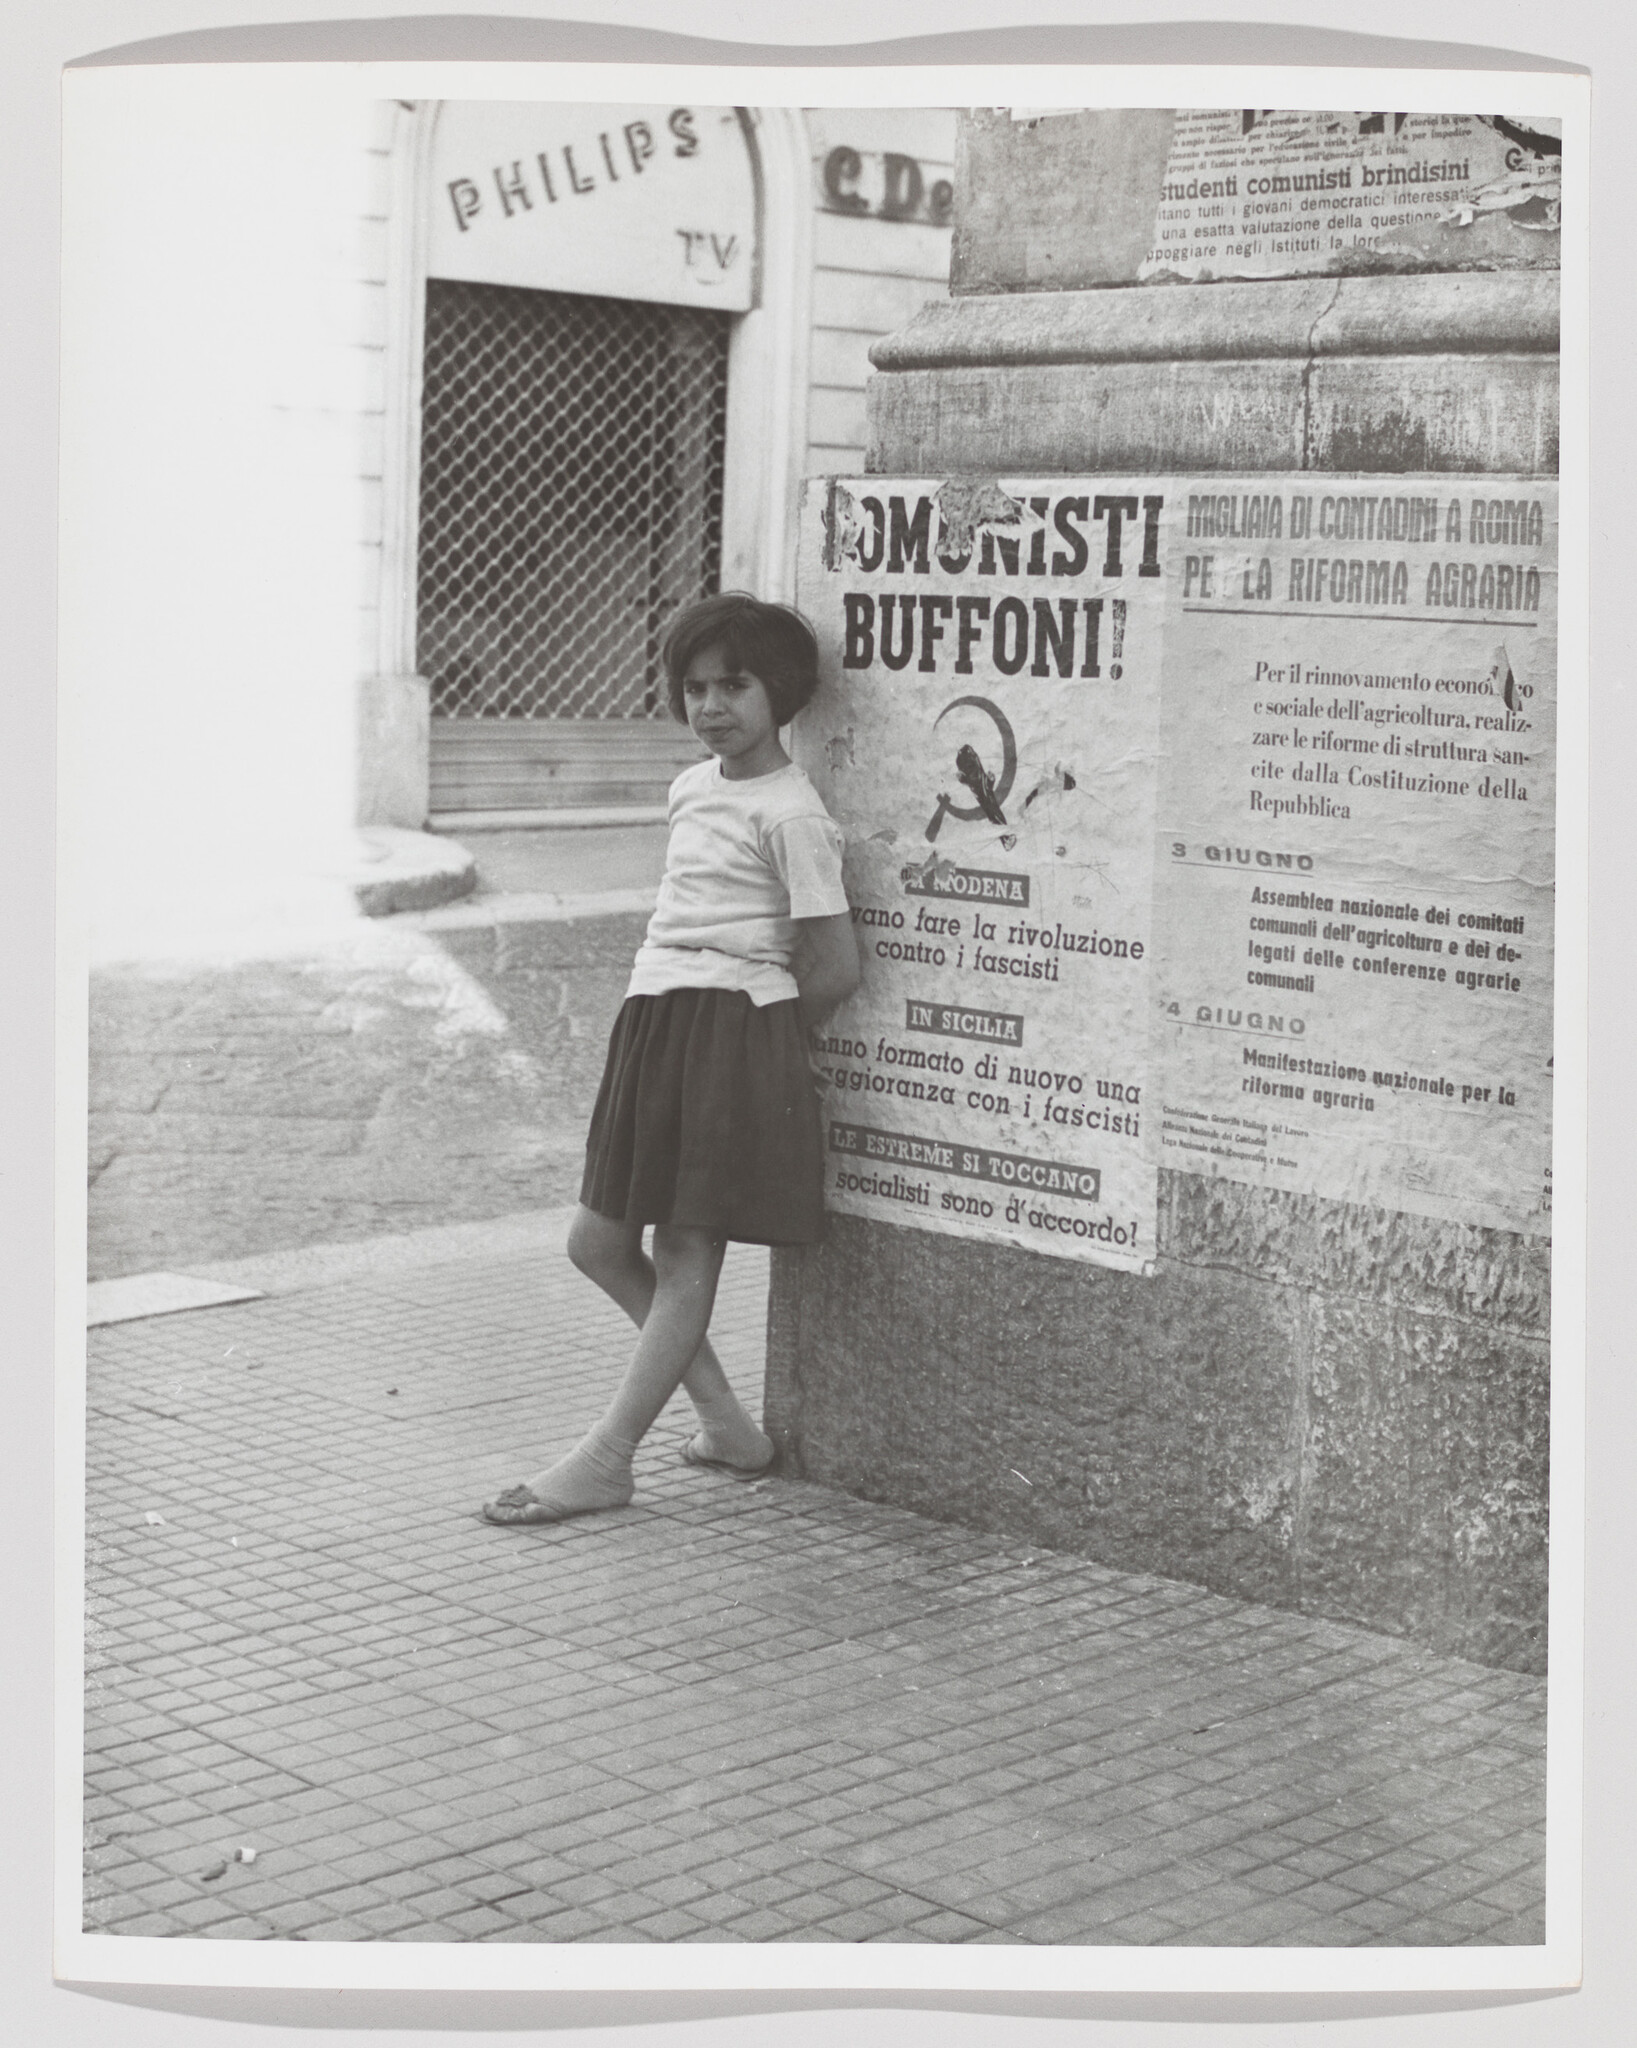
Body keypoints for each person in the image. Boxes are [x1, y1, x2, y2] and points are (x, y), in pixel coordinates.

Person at [482, 593, 860, 1527]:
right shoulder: (693, 788)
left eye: (734, 685)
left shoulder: (793, 812)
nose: (711, 706)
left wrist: (765, 1040)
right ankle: (728, 1426)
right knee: (597, 1243)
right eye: (694, 688)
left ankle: (608, 1458)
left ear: (783, 693)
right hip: (656, 1017)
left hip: (735, 1025)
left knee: (686, 1250)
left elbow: (836, 961)